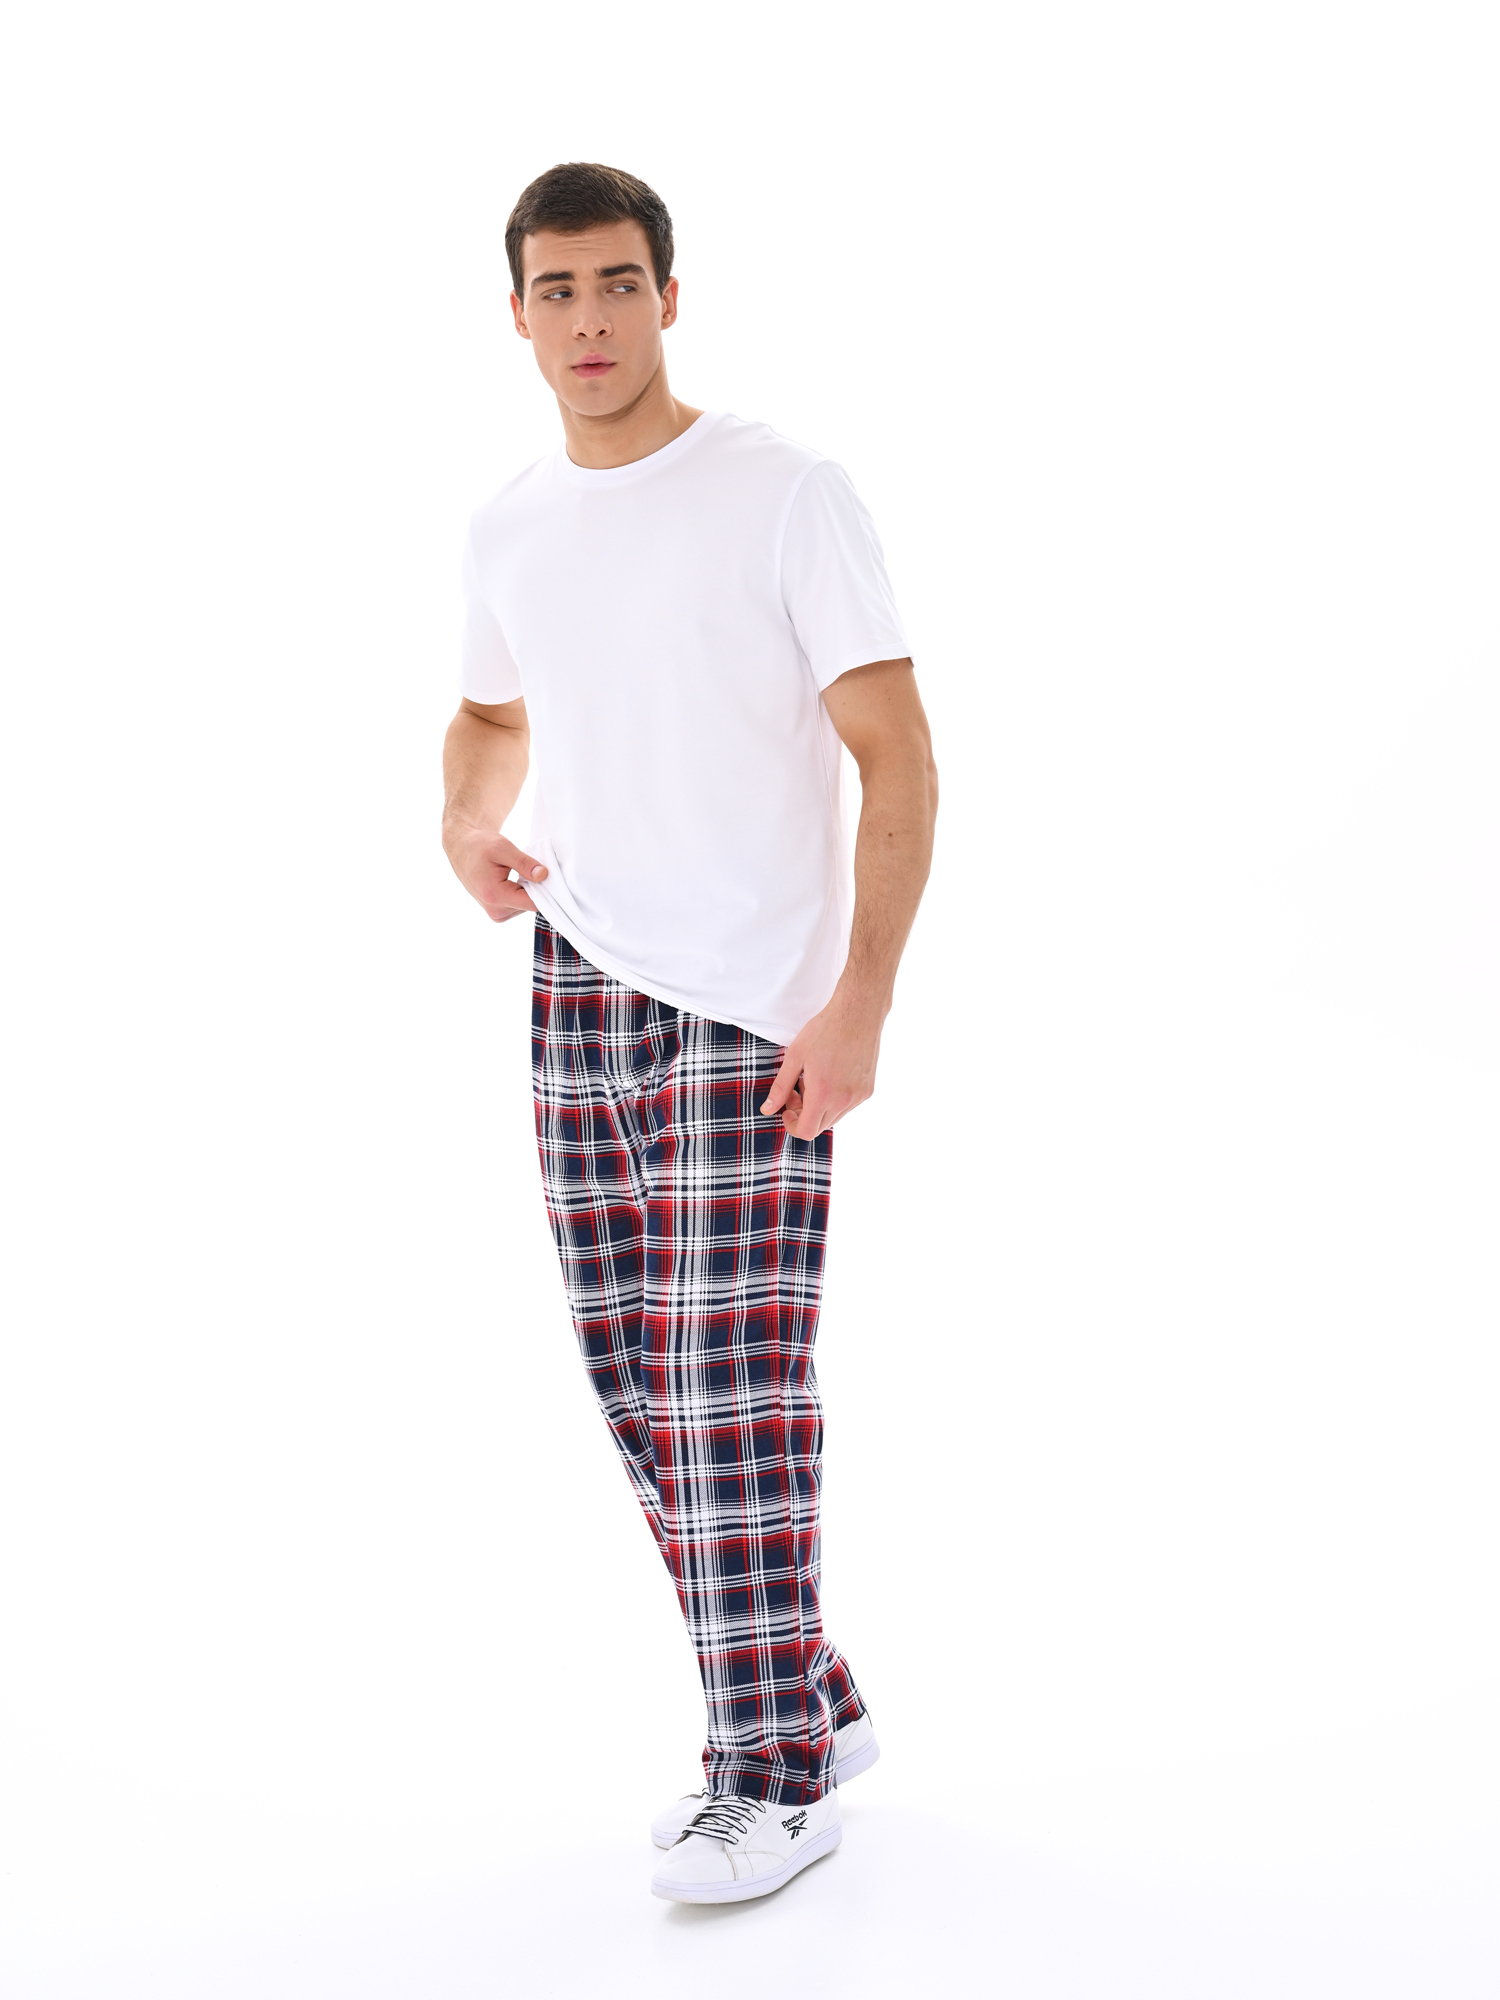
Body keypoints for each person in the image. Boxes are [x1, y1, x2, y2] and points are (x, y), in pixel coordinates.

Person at [441, 162, 938, 1905]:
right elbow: (488, 711)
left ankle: (769, 1776)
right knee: (635, 1379)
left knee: (730, 1384)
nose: (589, 318)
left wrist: (860, 997)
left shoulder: (784, 492)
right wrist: (463, 816)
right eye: (557, 288)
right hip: (578, 978)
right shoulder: (511, 524)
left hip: (753, 996)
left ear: (669, 296)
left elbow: (898, 755)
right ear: (516, 314)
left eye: (618, 283)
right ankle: (808, 1698)